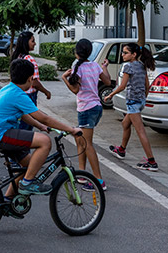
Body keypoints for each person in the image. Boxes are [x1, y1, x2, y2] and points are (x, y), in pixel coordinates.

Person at [0, 58, 84, 197]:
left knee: (29, 166)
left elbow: (24, 115)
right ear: (31, 78)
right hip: (0, 135)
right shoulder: (18, 94)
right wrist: (71, 129)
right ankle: (27, 183)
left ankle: (7, 201)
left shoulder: (9, 89)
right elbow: (44, 117)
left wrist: (41, 126)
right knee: (45, 142)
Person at [61, 39, 108, 190]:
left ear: (76, 52)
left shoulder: (77, 65)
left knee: (86, 144)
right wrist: (104, 67)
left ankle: (99, 181)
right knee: (80, 139)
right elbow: (107, 81)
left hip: (87, 109)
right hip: (95, 107)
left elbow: (75, 90)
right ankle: (81, 174)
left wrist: (64, 79)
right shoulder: (94, 65)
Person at [103, 42, 158, 171]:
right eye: (123, 52)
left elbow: (122, 86)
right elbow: (147, 85)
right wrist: (143, 98)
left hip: (133, 103)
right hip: (140, 102)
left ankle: (151, 162)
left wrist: (110, 95)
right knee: (125, 124)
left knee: (140, 131)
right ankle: (121, 150)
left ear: (134, 55)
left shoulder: (128, 67)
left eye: (125, 53)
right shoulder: (141, 65)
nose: (122, 55)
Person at [9, 31, 51, 130]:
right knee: (27, 127)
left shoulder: (17, 57)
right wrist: (46, 92)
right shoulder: (29, 59)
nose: (35, 43)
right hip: (29, 96)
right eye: (33, 41)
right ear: (26, 42)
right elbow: (35, 82)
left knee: (20, 125)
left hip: (18, 94)